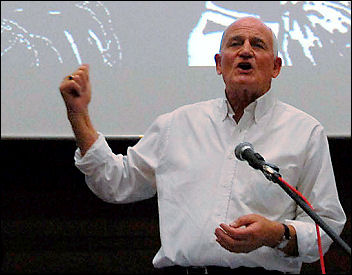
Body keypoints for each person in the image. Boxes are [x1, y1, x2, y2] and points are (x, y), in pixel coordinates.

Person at [59, 17, 346, 274]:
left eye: (257, 45)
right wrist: (78, 115)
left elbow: (327, 227)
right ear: (219, 64)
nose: (246, 50)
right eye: (236, 43)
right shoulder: (176, 125)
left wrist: (275, 233)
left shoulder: (305, 132)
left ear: (276, 67)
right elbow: (115, 183)